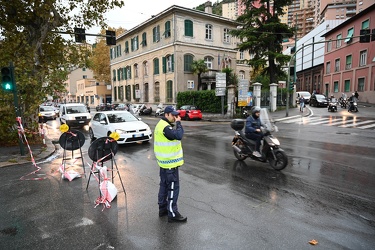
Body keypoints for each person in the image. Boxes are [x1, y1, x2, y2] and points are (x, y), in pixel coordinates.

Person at [154, 106, 187, 223]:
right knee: (173, 188)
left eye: (176, 115)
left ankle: (163, 209)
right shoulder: (165, 127)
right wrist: (179, 123)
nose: (175, 117)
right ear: (166, 114)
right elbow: (178, 135)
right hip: (170, 165)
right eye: (173, 115)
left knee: (164, 186)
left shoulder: (161, 124)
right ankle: (172, 213)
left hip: (164, 163)